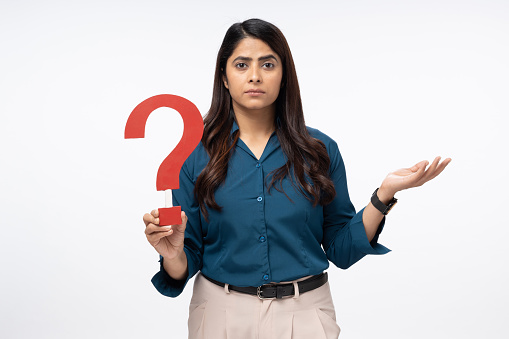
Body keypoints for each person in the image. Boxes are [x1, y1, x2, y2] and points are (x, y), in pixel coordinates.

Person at [142, 18, 451, 339]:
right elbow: (186, 258)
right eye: (241, 64)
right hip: (220, 314)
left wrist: (383, 194)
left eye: (268, 64)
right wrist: (173, 254)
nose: (255, 75)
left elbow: (341, 249)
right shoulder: (193, 155)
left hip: (305, 315)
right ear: (224, 76)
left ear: (284, 74)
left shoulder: (320, 151)